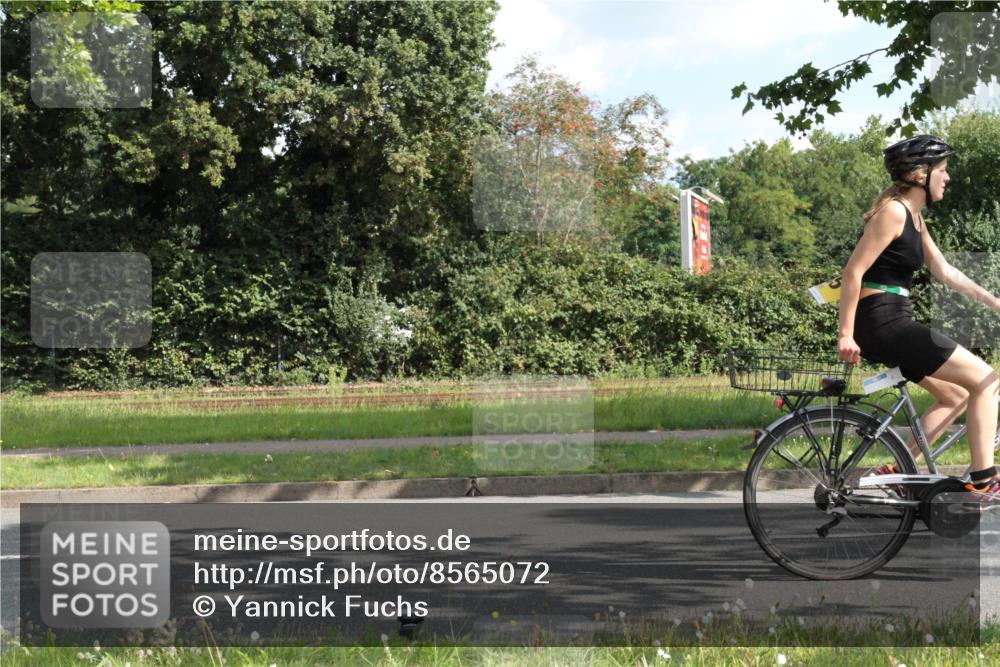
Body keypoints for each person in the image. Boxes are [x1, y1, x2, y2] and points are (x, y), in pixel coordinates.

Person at [837, 134, 1000, 497]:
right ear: (919, 175)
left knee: (955, 395)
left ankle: (898, 471)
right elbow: (852, 272)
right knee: (986, 380)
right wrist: (845, 334)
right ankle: (983, 480)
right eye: (943, 169)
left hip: (891, 320)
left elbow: (945, 271)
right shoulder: (894, 213)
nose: (948, 177)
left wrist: (995, 303)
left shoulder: (914, 218)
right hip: (884, 321)